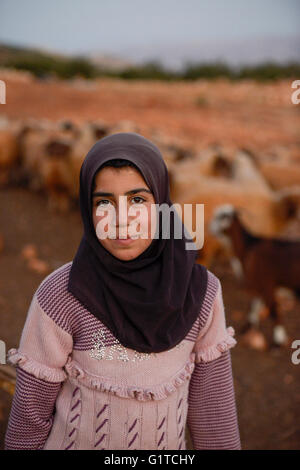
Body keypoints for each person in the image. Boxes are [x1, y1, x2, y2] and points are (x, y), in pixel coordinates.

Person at [5, 132, 241, 450]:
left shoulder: (200, 293)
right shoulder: (61, 294)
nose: (121, 218)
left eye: (138, 199)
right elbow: (30, 416)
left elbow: (214, 416)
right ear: (87, 212)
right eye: (104, 202)